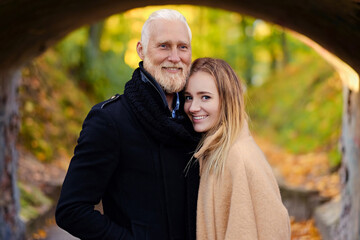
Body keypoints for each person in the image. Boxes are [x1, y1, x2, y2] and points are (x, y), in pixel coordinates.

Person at [55, 9, 200, 240]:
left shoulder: (198, 118)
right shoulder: (111, 120)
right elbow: (71, 210)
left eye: (183, 47)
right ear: (141, 50)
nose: (175, 57)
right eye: (163, 46)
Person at [184, 58, 291, 240]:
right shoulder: (214, 151)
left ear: (227, 100)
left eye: (205, 97)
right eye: (188, 97)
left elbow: (274, 227)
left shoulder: (237, 156)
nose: (193, 107)